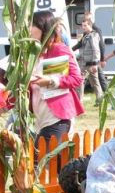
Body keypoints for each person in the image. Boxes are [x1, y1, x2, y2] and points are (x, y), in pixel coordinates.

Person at [28, 11, 85, 148]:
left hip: (57, 117)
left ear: (43, 28)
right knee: (55, 165)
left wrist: (51, 81)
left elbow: (76, 79)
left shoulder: (58, 50)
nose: (28, 29)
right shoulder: (31, 54)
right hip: (40, 118)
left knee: (40, 162)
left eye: (32, 25)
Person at [72, 11, 108, 94]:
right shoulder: (86, 33)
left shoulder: (95, 32)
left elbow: (99, 47)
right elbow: (80, 44)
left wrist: (100, 60)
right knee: (94, 81)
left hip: (93, 61)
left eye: (85, 25)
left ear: (90, 22)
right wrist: (71, 49)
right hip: (87, 61)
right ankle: (101, 98)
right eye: (82, 25)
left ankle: (104, 95)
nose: (83, 27)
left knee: (98, 80)